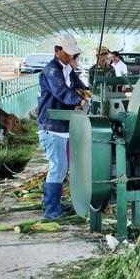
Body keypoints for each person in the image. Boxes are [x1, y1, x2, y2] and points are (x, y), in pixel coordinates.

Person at [37, 34, 89, 219]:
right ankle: (51, 212)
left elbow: (78, 86)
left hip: (63, 125)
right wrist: (81, 102)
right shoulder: (51, 71)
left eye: (72, 54)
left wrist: (89, 92)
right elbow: (62, 92)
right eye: (67, 54)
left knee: (61, 166)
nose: (70, 57)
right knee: (58, 166)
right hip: (51, 126)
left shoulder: (68, 70)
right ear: (56, 51)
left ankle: (55, 205)